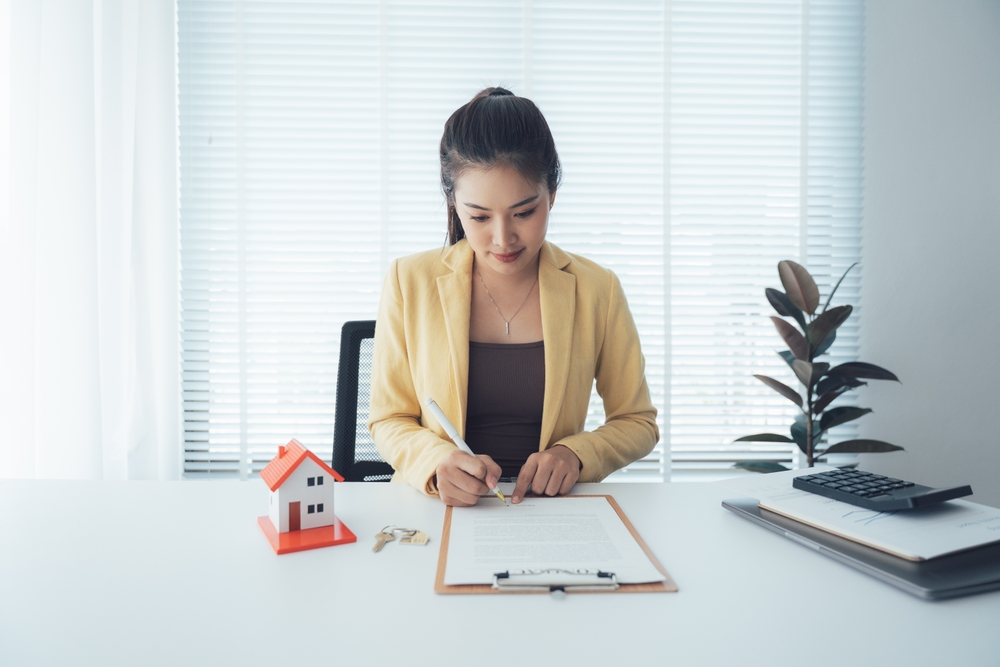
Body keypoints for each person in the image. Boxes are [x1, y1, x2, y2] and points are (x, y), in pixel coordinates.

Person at [368, 87, 658, 506]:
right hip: (438, 509)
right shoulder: (408, 280)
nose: (503, 238)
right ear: (454, 203)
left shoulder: (598, 288)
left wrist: (576, 454)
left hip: (550, 508)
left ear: (551, 194)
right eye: (479, 216)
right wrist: (435, 462)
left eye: (524, 212)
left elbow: (637, 421)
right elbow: (388, 419)